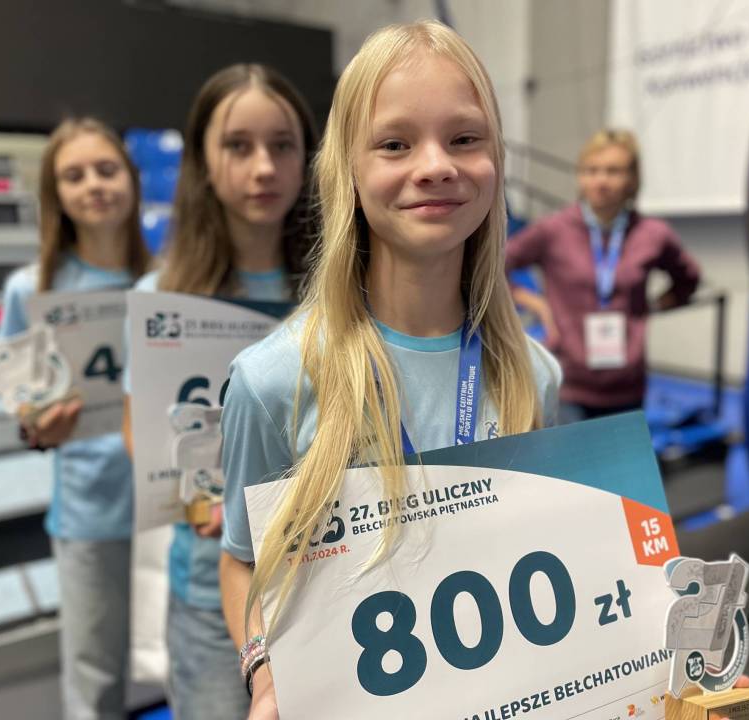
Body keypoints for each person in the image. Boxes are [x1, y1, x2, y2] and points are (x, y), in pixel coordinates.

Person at [218, 21, 562, 720]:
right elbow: (242, 558)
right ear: (347, 169)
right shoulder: (272, 383)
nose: (435, 165)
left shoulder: (534, 376)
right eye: (395, 144)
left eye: (464, 138)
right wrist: (263, 669)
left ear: (496, 160)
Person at [120, 63, 318, 720]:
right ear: (203, 161)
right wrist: (190, 500)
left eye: (282, 145)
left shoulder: (342, 294)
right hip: (209, 594)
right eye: (238, 146)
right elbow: (141, 430)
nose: (263, 167)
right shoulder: (160, 299)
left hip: (325, 587)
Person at [0, 117, 150, 719]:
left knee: (189, 663)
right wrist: (38, 429)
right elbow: (24, 411)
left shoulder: (170, 279)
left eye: (106, 170)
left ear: (132, 180)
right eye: (74, 175)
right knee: (94, 680)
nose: (94, 185)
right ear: (55, 193)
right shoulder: (30, 289)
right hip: (91, 510)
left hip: (172, 509)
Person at [506, 129, 701, 424]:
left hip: (627, 387)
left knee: (621, 455)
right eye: (591, 170)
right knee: (570, 455)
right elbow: (494, 268)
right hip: (567, 384)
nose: (601, 181)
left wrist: (650, 307)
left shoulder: (653, 234)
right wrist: (536, 304)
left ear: (632, 180)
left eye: (613, 171)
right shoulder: (553, 230)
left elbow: (688, 279)